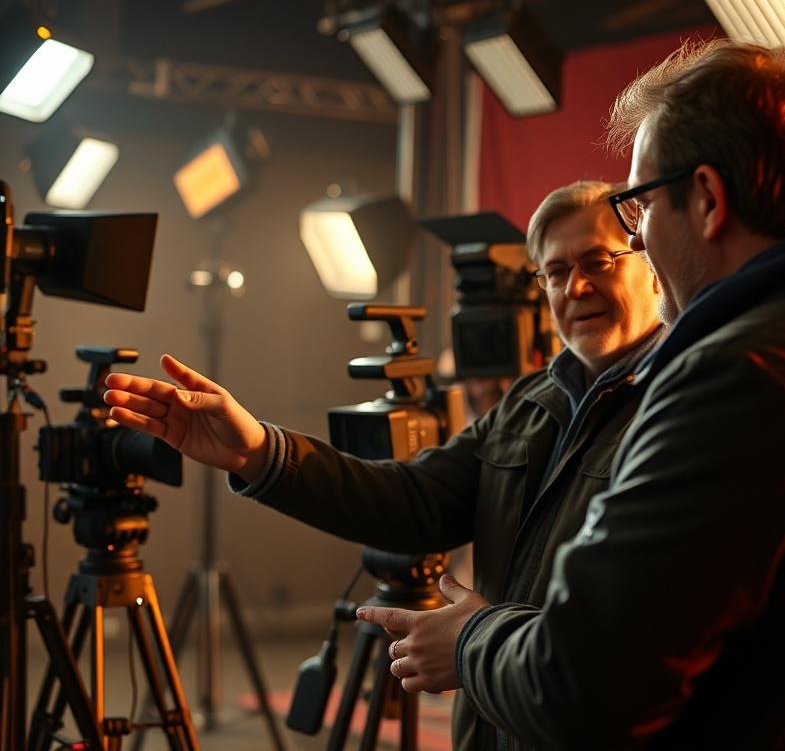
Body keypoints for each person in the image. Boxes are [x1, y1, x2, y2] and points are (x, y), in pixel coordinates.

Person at [356, 42, 785, 750]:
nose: (638, 240)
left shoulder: (746, 377)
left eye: (638, 206)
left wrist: (470, 638)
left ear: (706, 198)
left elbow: (581, 686)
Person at [103, 180, 665, 751]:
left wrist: (472, 640)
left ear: (650, 262)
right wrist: (255, 450)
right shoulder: (529, 403)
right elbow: (416, 500)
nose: (576, 286)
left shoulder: (680, 411)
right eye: (554, 272)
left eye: (598, 261)